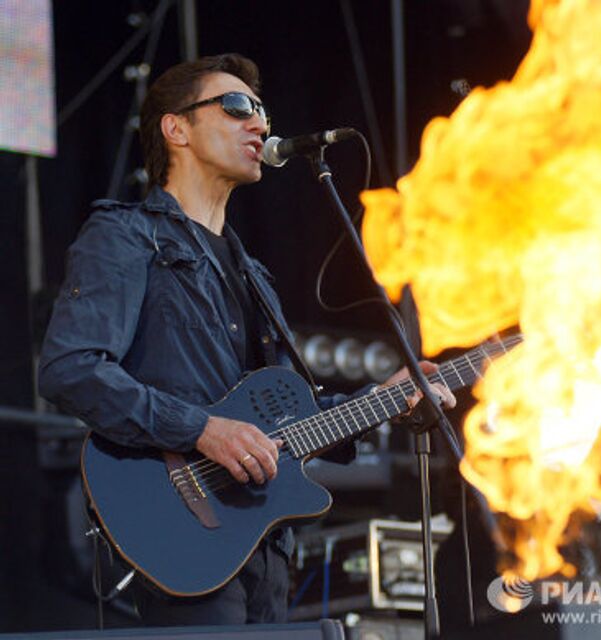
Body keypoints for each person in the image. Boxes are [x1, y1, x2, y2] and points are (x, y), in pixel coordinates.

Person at [38, 53, 455, 626]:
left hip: (264, 545)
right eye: (237, 108)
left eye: (262, 111)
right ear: (175, 128)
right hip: (181, 532)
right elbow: (71, 368)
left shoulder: (253, 275)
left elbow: (285, 421)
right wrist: (203, 430)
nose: (260, 125)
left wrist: (384, 399)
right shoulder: (126, 236)